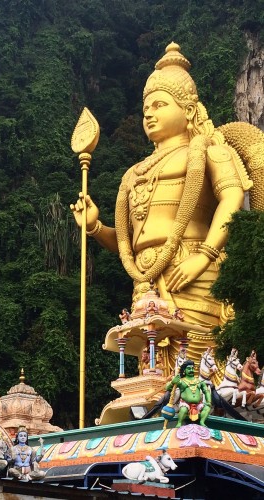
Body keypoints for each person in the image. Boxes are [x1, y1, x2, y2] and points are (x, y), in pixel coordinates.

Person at [71, 42, 246, 376]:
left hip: (194, 270)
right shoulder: (135, 172)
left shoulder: (208, 151)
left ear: (189, 111)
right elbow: (128, 240)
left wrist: (204, 255)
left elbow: (232, 198)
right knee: (154, 373)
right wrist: (95, 227)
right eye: (145, 108)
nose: (149, 114)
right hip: (146, 281)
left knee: (200, 371)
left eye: (160, 104)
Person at [165, 360, 212, 427]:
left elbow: (206, 391)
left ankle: (202, 421)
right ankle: (179, 423)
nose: (191, 370)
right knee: (183, 410)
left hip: (198, 404)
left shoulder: (199, 381)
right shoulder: (181, 381)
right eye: (189, 368)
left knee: (207, 408)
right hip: (185, 403)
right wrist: (172, 382)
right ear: (184, 370)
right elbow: (167, 388)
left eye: (192, 368)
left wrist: (208, 401)